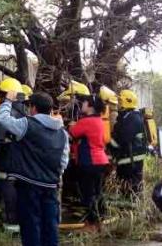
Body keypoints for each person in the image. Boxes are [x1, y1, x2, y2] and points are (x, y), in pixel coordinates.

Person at [0, 91, 70, 246]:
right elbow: (63, 161)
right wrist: (54, 176)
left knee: (31, 226)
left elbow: (3, 119)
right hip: (50, 185)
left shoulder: (27, 124)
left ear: (33, 108)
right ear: (50, 109)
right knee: (50, 226)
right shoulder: (62, 133)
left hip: (28, 185)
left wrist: (8, 101)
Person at [68, 89, 109, 230]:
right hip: (101, 161)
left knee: (88, 193)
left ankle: (91, 224)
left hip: (89, 161)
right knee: (98, 192)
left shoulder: (86, 121)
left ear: (90, 106)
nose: (82, 105)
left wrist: (71, 125)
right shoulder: (99, 121)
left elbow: (71, 133)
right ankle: (100, 221)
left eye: (84, 103)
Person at [0, 77, 25, 234]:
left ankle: (10, 228)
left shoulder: (1, 114)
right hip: (24, 164)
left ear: (6, 95)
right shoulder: (28, 110)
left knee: (7, 194)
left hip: (6, 161)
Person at [109, 89, 147, 196]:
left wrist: (108, 141)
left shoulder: (133, 119)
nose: (118, 104)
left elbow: (123, 139)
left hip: (131, 162)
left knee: (131, 190)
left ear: (127, 102)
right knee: (126, 189)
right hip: (128, 160)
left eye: (120, 101)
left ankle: (130, 209)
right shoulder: (128, 117)